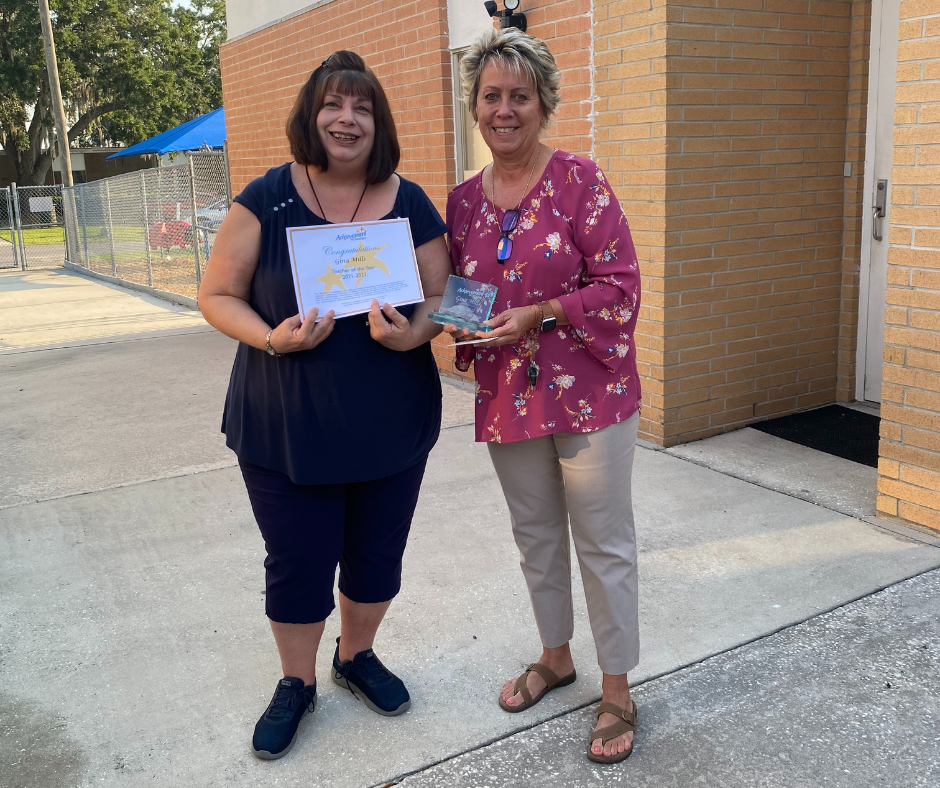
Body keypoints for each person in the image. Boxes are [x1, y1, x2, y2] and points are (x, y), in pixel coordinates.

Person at [199, 51, 450, 760]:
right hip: (286, 427)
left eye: (363, 107)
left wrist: (414, 339)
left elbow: (447, 294)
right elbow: (217, 295)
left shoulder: (409, 201)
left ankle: (356, 656)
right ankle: (296, 681)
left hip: (390, 427)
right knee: (298, 561)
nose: (347, 119)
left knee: (376, 558)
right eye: (334, 106)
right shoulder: (267, 198)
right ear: (312, 116)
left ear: (379, 122)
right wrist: (270, 338)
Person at [444, 29, 643, 764]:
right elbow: (463, 299)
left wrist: (542, 312)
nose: (504, 109)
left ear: (542, 104)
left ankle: (617, 688)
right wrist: (457, 330)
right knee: (536, 538)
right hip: (509, 398)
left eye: (518, 96)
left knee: (603, 542)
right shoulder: (463, 202)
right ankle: (556, 656)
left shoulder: (580, 182)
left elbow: (620, 285)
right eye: (491, 96)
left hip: (591, 394)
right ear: (475, 106)